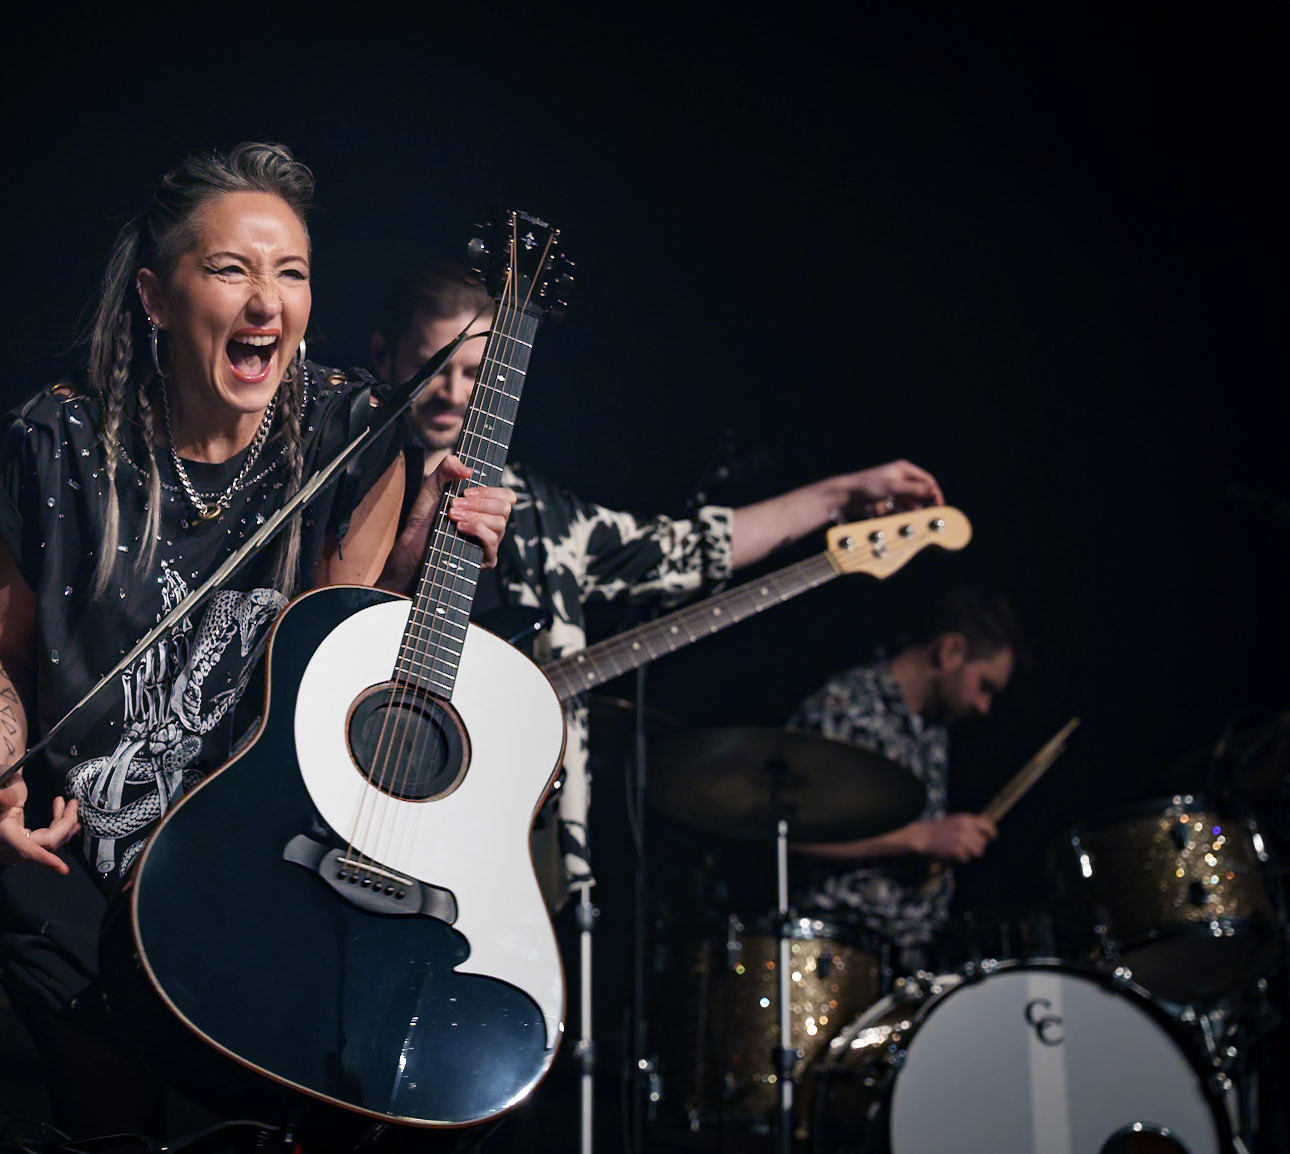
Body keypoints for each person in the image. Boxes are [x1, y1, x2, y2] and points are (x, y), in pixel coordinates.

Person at [0, 145, 514, 1140]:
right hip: (82, 860)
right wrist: (0, 776)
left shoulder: (352, 427)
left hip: (258, 861)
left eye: (290, 273)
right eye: (231, 270)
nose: (267, 301)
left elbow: (341, 635)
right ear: (155, 298)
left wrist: (432, 539)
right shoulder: (57, 444)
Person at [370, 263, 947, 896]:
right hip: (363, 793)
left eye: (475, 373)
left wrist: (841, 495)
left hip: (513, 845)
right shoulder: (345, 478)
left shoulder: (544, 516)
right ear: (387, 357)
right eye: (435, 367)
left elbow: (694, 548)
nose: (454, 392)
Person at [788, 588, 1021, 968]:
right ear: (951, 651)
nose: (984, 706)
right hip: (840, 955)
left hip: (914, 955)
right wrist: (923, 836)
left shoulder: (933, 725)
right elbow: (793, 826)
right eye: (985, 686)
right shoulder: (847, 705)